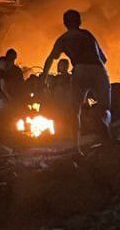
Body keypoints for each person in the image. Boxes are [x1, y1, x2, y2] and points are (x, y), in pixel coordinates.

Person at [42, 9, 112, 144]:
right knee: (104, 106)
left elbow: (50, 59)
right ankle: (106, 137)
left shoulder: (63, 39)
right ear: (79, 21)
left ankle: (76, 147)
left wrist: (43, 78)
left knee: (75, 110)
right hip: (98, 69)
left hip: (79, 69)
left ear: (65, 23)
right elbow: (103, 59)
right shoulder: (88, 35)